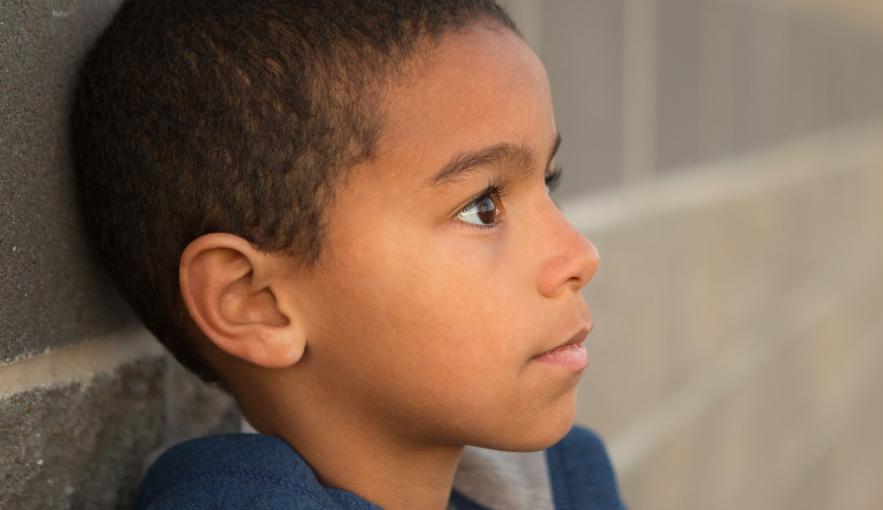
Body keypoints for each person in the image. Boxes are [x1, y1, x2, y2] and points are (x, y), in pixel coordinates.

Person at [69, 0, 623, 508]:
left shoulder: (563, 483)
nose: (580, 253)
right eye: (481, 207)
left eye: (548, 181)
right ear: (256, 303)